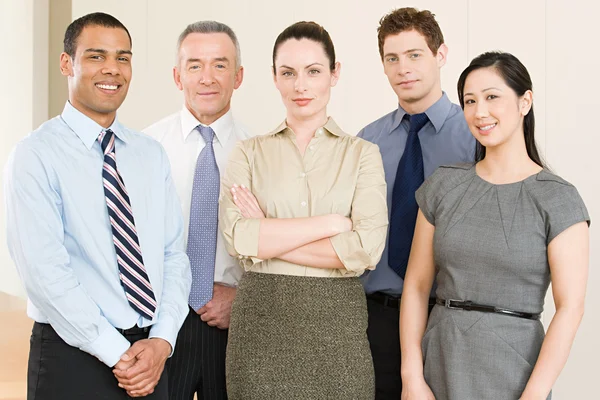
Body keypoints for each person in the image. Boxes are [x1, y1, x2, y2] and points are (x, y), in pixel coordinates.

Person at [4, 12, 191, 399]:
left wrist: (163, 341)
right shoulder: (36, 155)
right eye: (96, 56)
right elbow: (45, 274)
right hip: (73, 357)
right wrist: (118, 354)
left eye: (123, 57)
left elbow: (174, 255)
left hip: (150, 358)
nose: (112, 69)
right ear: (66, 63)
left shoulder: (150, 154)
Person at [400, 51, 590, 400]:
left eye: (492, 97)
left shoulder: (558, 199)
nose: (479, 112)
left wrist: (534, 395)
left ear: (525, 101)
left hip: (515, 369)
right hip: (440, 360)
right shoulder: (444, 186)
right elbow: (416, 284)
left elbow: (570, 307)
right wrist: (412, 376)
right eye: (469, 101)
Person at [219, 21, 388, 400]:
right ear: (274, 78)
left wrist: (267, 232)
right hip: (262, 322)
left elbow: (365, 249)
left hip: (337, 327)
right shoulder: (248, 152)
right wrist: (328, 225)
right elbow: (237, 238)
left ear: (334, 74)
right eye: (288, 73)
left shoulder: (363, 154)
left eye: (313, 71)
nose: (301, 85)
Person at [356, 7, 474, 398]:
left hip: (452, 318)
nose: (403, 68)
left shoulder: (476, 137)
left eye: (414, 55)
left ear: (441, 55)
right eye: (392, 58)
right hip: (377, 321)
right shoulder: (366, 143)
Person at [144, 20, 249, 400]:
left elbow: (276, 252)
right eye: (194, 65)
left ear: (238, 76)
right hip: (158, 326)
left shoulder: (260, 153)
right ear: (177, 76)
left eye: (220, 65)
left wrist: (244, 299)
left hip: (235, 327)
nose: (207, 78)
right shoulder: (144, 149)